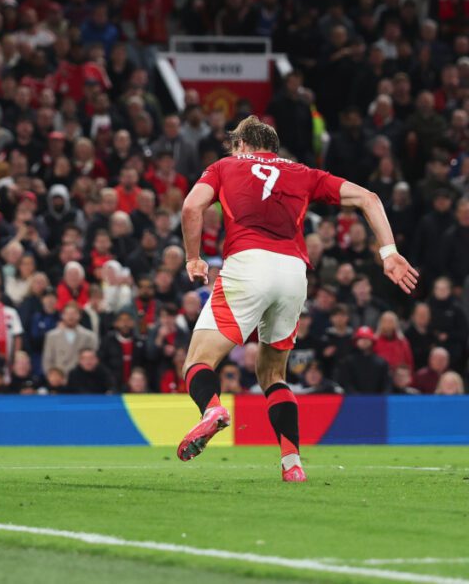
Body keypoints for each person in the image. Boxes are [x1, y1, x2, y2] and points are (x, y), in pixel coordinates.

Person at [177, 116, 417, 482]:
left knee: (198, 360)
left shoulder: (225, 166)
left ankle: (212, 410)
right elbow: (369, 198)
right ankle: (292, 465)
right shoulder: (304, 173)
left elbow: (191, 208)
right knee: (273, 373)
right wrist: (388, 253)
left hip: (248, 264)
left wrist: (194, 258)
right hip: (293, 274)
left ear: (241, 145)